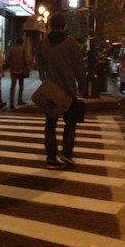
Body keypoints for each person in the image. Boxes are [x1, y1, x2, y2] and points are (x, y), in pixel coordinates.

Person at [38, 13, 85, 169]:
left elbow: (40, 67)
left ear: (50, 25)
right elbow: (79, 69)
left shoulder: (43, 44)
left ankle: (51, 158)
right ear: (65, 26)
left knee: (50, 125)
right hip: (69, 91)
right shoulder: (72, 44)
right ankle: (66, 154)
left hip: (51, 91)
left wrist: (45, 81)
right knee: (70, 124)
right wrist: (83, 87)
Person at [7, 37, 29, 109]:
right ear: (22, 42)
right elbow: (25, 60)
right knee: (21, 85)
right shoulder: (23, 49)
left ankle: (11, 103)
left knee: (12, 86)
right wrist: (27, 67)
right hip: (21, 70)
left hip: (13, 70)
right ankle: (19, 100)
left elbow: (8, 59)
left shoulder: (11, 49)